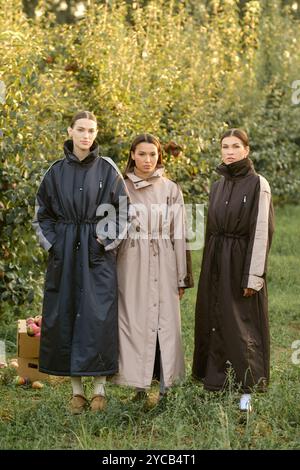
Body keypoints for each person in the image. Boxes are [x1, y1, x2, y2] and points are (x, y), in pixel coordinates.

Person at [33, 111, 129, 414]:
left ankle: (99, 390)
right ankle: (76, 393)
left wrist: (104, 240)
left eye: (91, 130)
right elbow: (41, 213)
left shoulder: (108, 169)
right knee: (67, 314)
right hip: (65, 254)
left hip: (96, 253)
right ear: (70, 131)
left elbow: (124, 211)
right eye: (81, 130)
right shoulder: (55, 171)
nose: (86, 136)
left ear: (96, 132)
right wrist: (54, 243)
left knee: (97, 316)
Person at [192, 128, 274, 412]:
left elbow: (261, 231)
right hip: (216, 262)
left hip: (241, 262)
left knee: (242, 326)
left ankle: (247, 395)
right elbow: (211, 230)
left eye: (235, 146)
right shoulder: (218, 185)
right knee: (215, 321)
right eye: (225, 146)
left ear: (246, 150)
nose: (229, 151)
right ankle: (217, 384)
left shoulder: (258, 184)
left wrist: (253, 276)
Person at [112, 134, 193, 403]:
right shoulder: (120, 186)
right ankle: (139, 386)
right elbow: (110, 228)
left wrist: (181, 276)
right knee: (134, 321)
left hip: (165, 259)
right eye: (142, 154)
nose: (148, 160)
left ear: (159, 156)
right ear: (132, 154)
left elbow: (179, 233)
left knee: (165, 322)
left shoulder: (170, 189)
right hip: (131, 260)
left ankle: (165, 386)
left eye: (153, 154)